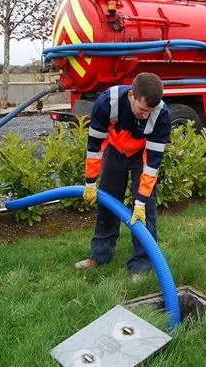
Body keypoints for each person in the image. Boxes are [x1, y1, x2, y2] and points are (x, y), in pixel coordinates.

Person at [75, 72, 171, 281]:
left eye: (150, 111)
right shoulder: (107, 103)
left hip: (141, 157)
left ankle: (141, 265)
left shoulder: (162, 115)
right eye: (142, 110)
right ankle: (100, 256)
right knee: (108, 202)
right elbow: (94, 148)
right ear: (131, 97)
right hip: (116, 150)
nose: (145, 115)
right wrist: (90, 182)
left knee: (144, 210)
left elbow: (152, 163)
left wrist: (141, 199)